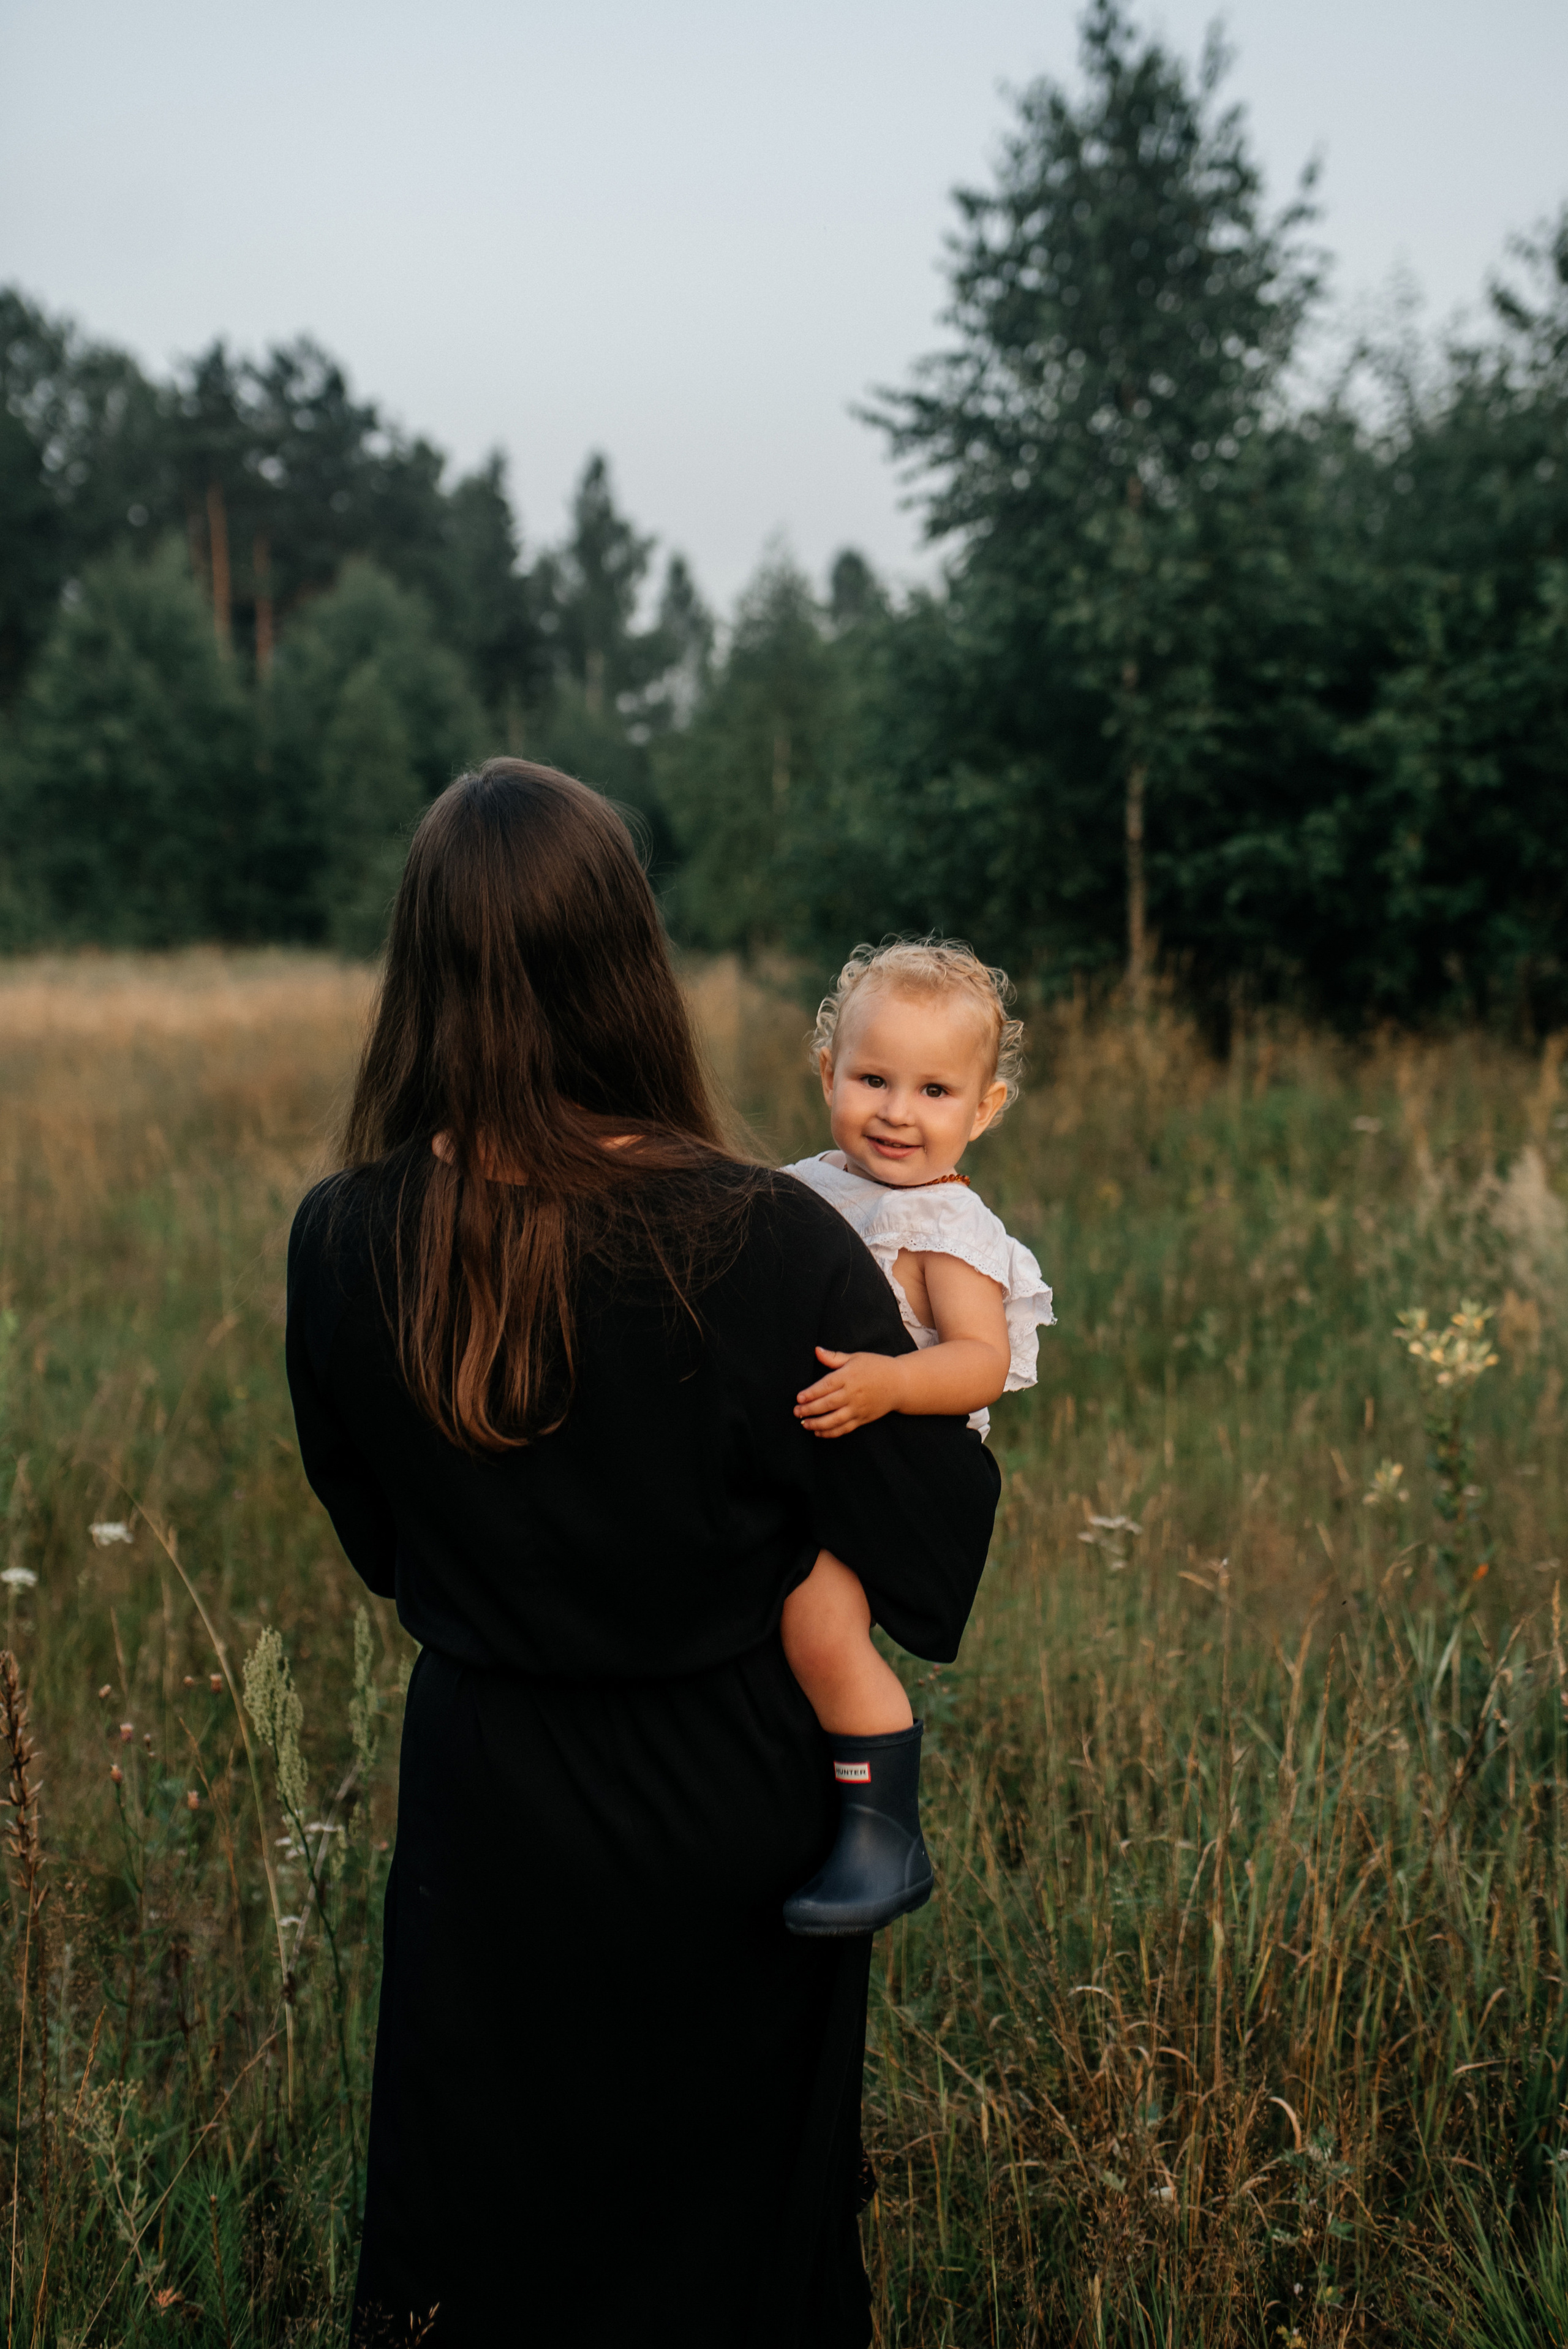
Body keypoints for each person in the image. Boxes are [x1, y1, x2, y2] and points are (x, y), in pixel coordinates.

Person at [284, 761, 1001, 2348]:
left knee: (489, 2236)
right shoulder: (763, 1235)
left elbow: (383, 1545)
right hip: (729, 1798)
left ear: (423, 964)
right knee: (739, 2241)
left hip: (487, 1793)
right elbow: (929, 1550)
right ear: (629, 956)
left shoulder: (341, 1235)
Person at [774, 942, 1054, 1937]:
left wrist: (894, 1379)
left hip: (891, 1463)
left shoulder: (949, 1222)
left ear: (985, 1110)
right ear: (828, 1075)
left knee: (817, 1618)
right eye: (873, 1078)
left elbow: (979, 1362)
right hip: (812, 1443)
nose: (898, 1110)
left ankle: (882, 1830)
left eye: (935, 1089)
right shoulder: (807, 1184)